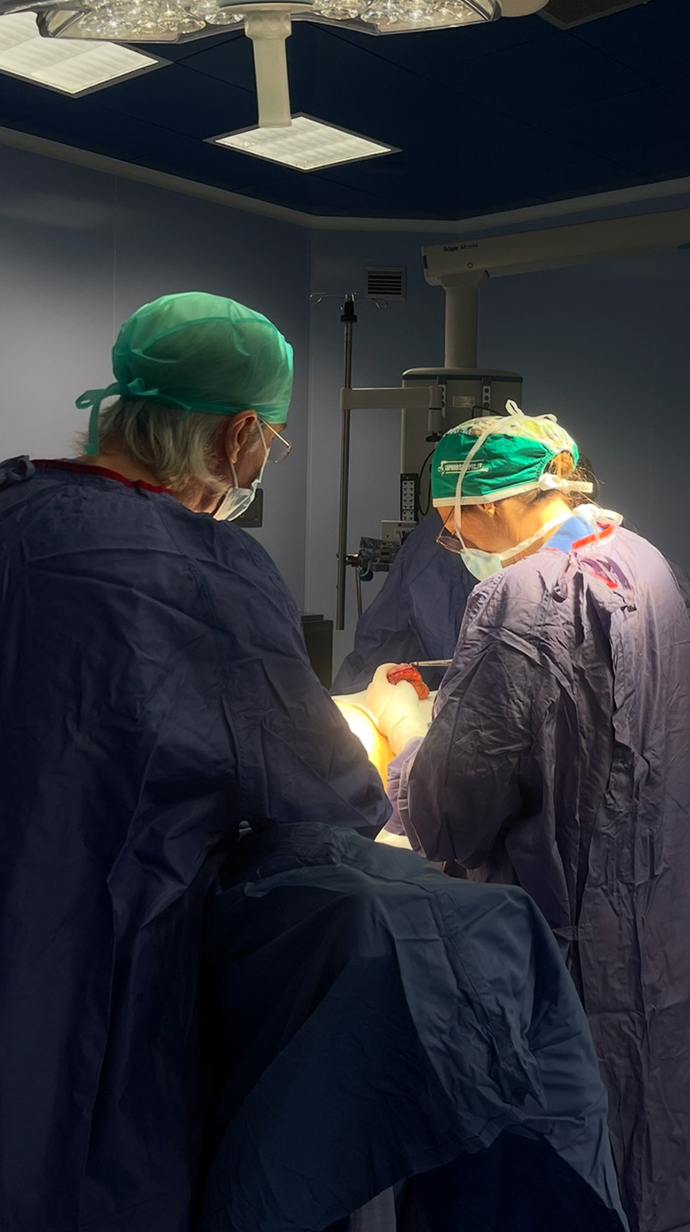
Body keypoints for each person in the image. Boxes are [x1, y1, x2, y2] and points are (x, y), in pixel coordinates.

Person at [0, 305, 626, 1232]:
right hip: (107, 933)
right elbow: (324, 791)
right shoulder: (204, 568)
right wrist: (381, 725)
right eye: (273, 440)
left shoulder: (14, 507)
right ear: (240, 436)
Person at [369, 401, 690, 1232]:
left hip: (549, 947)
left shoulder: (520, 592)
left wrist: (404, 732)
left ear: (492, 504)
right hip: (653, 932)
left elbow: (451, 811)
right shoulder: (644, 562)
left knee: (539, 1173)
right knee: (638, 1145)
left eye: (453, 524)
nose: (453, 542)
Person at [332, 515, 475, 694]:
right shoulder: (444, 543)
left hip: (421, 677)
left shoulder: (465, 533)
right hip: (393, 676)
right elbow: (447, 646)